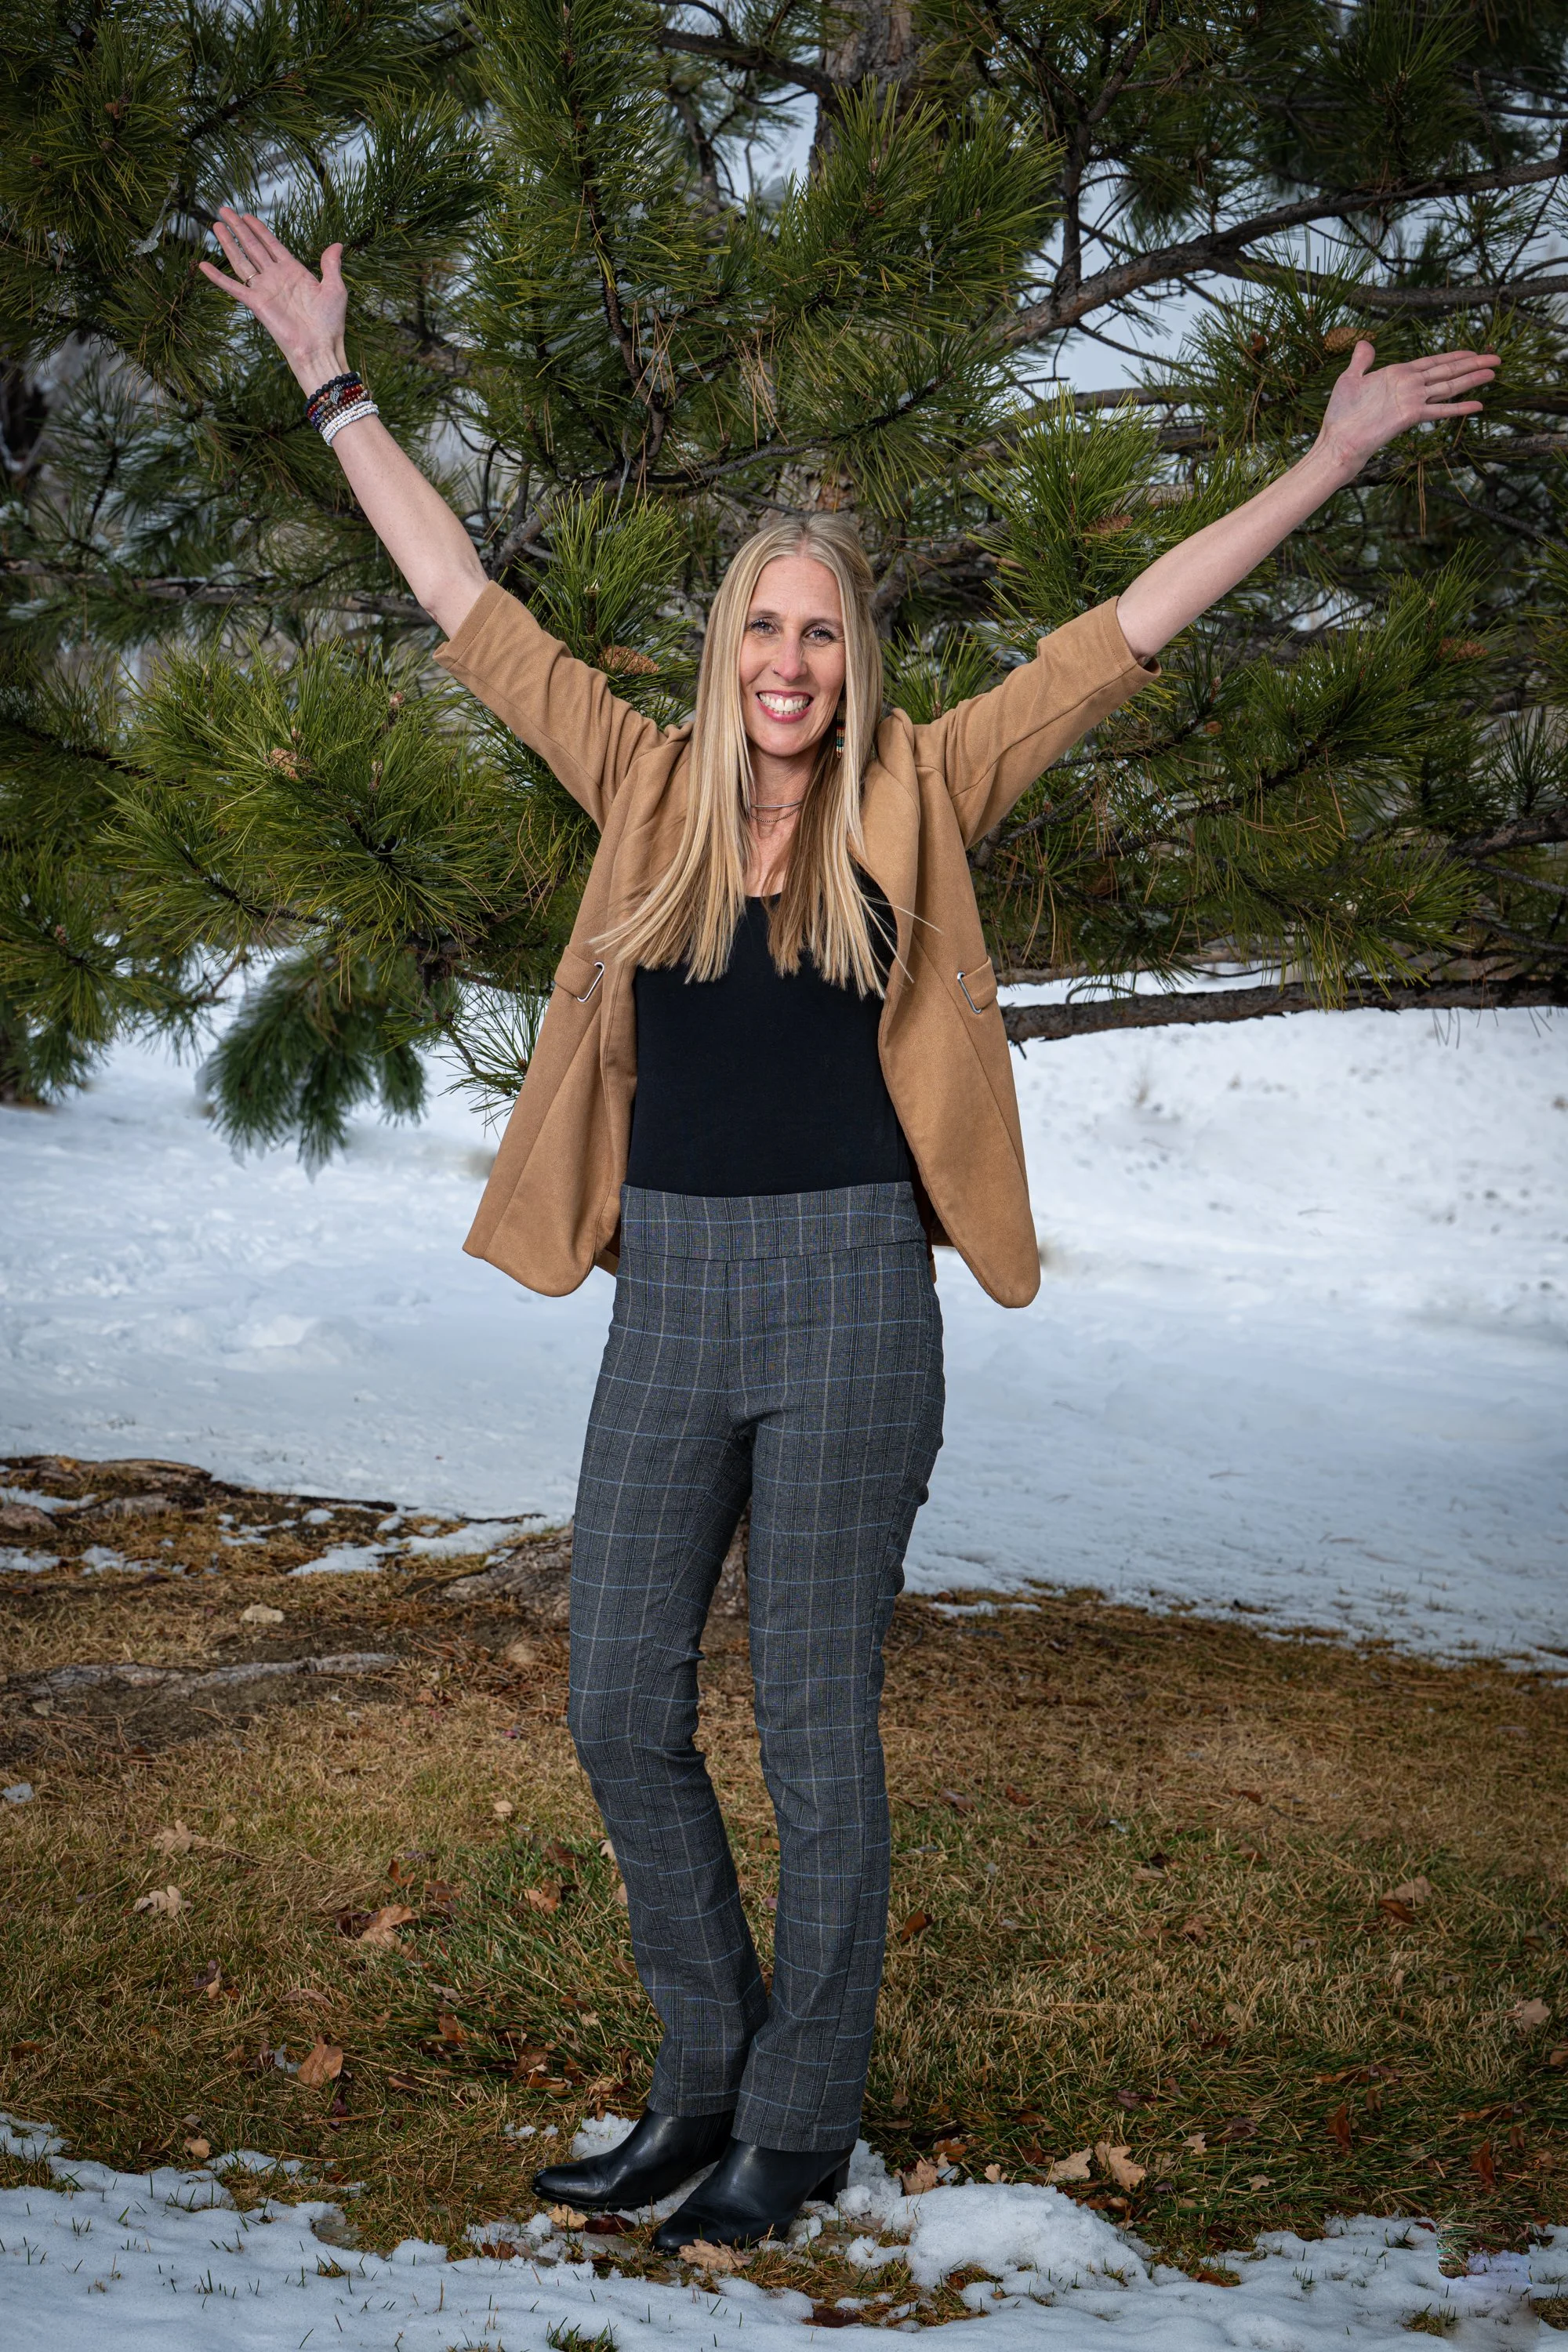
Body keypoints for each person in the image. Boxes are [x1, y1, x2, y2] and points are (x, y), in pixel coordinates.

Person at [201, 208, 1497, 2249]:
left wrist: (1326, 462)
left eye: (821, 634)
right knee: (620, 1700)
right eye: (760, 632)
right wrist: (330, 376)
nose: (790, 665)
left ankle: (800, 2118)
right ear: (719, 655)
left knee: (814, 1730)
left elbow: (1124, 633)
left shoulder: (926, 786)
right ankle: (701, 2064)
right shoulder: (638, 785)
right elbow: (458, 591)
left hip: (852, 1311)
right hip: (677, 1303)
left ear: (853, 660)